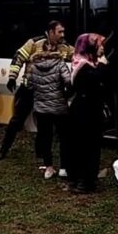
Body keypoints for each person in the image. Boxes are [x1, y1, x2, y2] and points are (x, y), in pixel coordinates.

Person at [0, 21, 73, 163]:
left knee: (44, 125)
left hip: (49, 93)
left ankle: (41, 155)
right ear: (50, 31)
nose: (63, 35)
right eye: (59, 32)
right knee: (17, 121)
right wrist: (12, 77)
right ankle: (3, 149)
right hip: (29, 89)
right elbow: (18, 58)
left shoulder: (64, 47)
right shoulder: (34, 43)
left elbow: (79, 57)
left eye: (63, 32)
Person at [68, 33, 116, 193]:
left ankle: (86, 179)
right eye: (99, 44)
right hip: (84, 111)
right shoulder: (82, 65)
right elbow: (91, 81)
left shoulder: (92, 63)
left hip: (91, 110)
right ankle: (82, 180)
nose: (102, 47)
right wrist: (103, 66)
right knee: (84, 146)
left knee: (91, 145)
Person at [28, 23, 74, 179]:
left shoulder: (34, 66)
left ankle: (48, 168)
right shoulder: (60, 64)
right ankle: (64, 168)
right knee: (64, 138)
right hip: (59, 108)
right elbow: (69, 82)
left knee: (45, 138)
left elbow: (30, 84)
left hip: (41, 109)